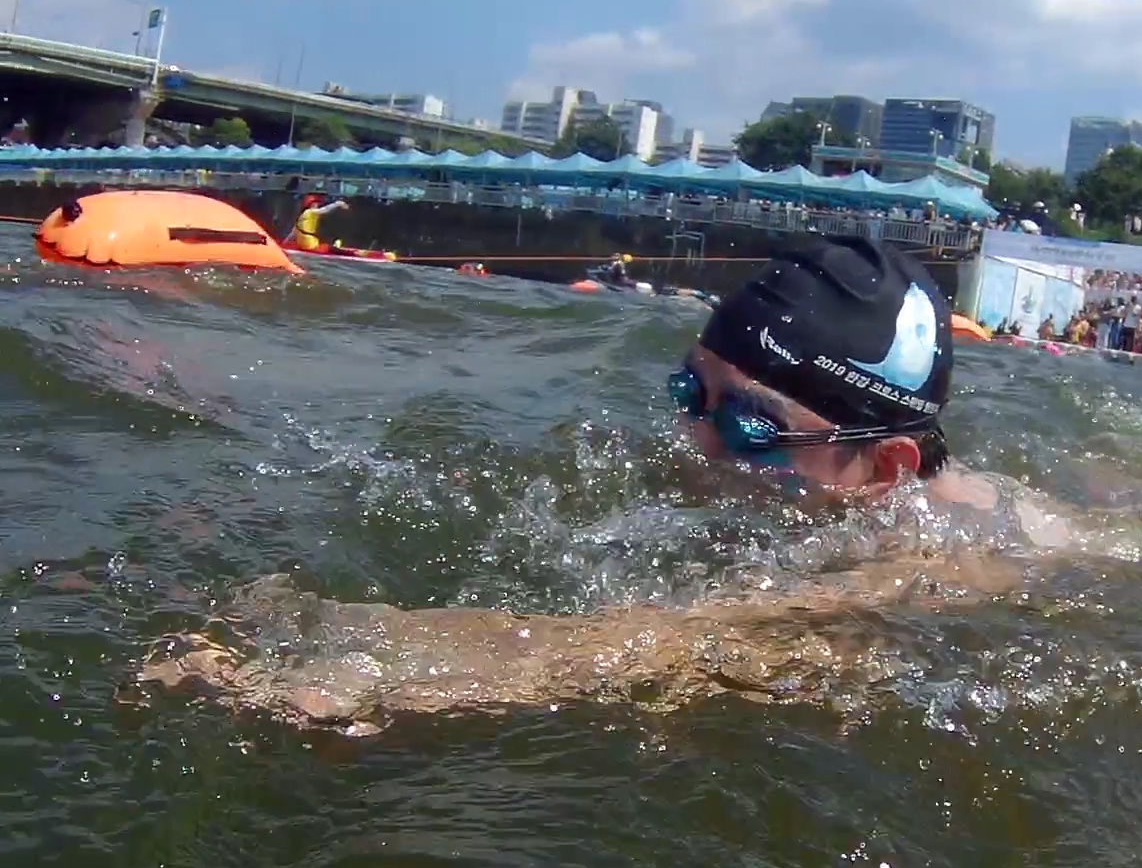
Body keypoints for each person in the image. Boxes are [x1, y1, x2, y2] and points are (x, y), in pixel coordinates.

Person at [135, 235, 1080, 734]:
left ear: (887, 468)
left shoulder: (932, 563)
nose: (696, 442)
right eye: (691, 394)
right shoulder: (792, 472)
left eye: (749, 425)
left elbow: (666, 643)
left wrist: (372, 675)